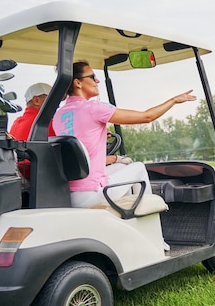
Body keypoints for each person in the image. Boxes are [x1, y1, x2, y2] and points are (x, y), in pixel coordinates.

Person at [52, 60, 196, 209]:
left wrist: (98, 136)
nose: (97, 80)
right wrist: (174, 100)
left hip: (73, 195)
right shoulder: (93, 108)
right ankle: (148, 217)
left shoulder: (59, 114)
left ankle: (124, 214)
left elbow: (82, 149)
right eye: (92, 76)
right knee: (139, 167)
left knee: (122, 166)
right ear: (78, 83)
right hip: (93, 192)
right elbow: (147, 117)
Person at [11, 83, 55, 179]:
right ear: (36, 100)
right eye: (51, 99)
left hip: (17, 175)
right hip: (35, 177)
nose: (57, 105)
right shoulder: (46, 123)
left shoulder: (16, 122)